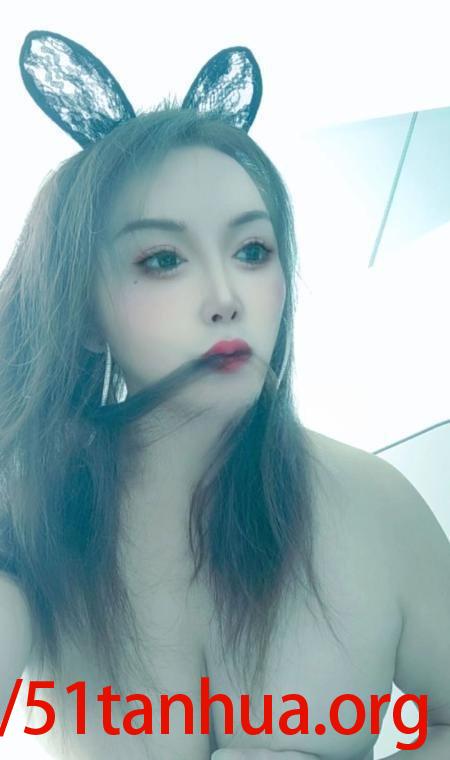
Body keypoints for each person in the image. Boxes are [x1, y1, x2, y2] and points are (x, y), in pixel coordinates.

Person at [1, 32, 449, 760]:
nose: (225, 297)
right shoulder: (35, 517)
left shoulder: (374, 504)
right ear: (81, 313)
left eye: (251, 251)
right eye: (163, 259)